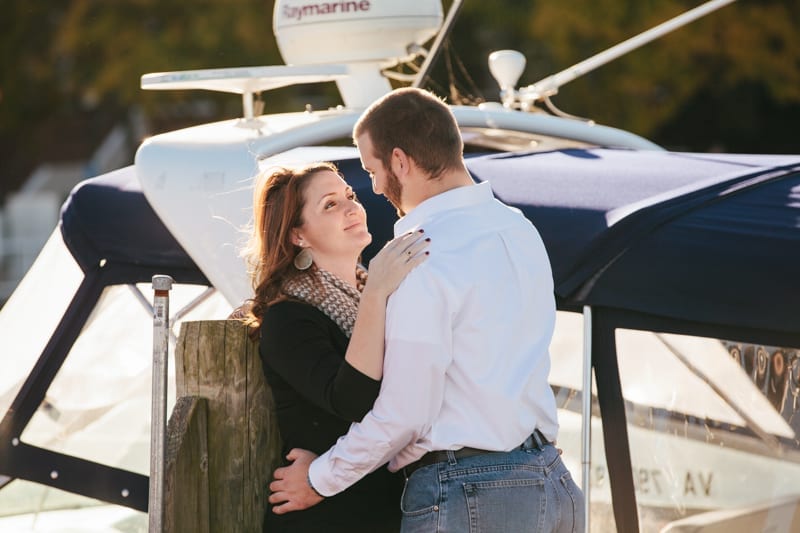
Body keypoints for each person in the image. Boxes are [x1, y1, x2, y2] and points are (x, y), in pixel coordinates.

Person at [267, 87, 586, 533]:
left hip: (471, 494)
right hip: (553, 484)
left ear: (400, 161)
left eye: (372, 171)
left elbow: (404, 413)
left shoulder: (419, 253)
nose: (374, 188)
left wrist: (319, 480)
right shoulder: (519, 229)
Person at [241, 161, 430, 532]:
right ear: (298, 235)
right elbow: (352, 401)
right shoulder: (289, 317)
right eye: (330, 204)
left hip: (389, 509)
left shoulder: (390, 299)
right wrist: (376, 290)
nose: (351, 208)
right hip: (324, 518)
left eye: (350, 195)